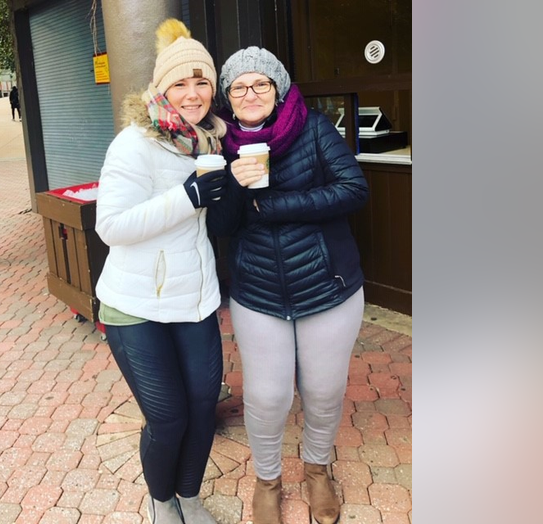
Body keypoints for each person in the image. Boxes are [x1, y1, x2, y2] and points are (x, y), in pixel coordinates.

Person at [206, 47, 369, 524]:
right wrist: (235, 184)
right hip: (259, 291)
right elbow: (221, 225)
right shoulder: (219, 146)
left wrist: (278, 205)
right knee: (267, 397)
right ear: (228, 99)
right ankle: (268, 481)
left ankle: (317, 472)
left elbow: (354, 188)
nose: (250, 93)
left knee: (322, 390)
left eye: (261, 84)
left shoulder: (314, 128)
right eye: (239, 87)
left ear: (277, 90)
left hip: (328, 286)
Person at [94, 18, 227, 524]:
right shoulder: (134, 143)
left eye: (202, 82)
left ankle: (189, 498)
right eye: (181, 82)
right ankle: (162, 501)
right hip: (134, 307)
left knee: (201, 410)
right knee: (168, 418)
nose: (193, 94)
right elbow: (111, 225)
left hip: (193, 300)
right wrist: (186, 197)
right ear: (161, 87)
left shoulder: (212, 141)